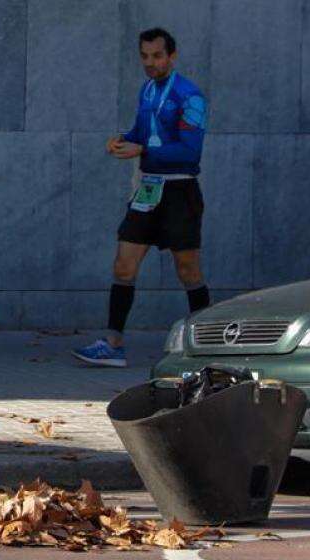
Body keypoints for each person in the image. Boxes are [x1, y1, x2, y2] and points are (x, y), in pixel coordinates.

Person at [73, 27, 210, 368]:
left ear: (172, 56)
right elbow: (139, 132)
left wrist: (142, 149)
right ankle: (113, 343)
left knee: (188, 270)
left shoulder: (189, 95)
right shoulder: (147, 90)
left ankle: (208, 345)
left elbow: (190, 151)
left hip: (180, 190)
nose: (150, 63)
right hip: (148, 189)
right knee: (123, 264)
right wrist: (121, 140)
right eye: (144, 57)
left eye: (157, 56)